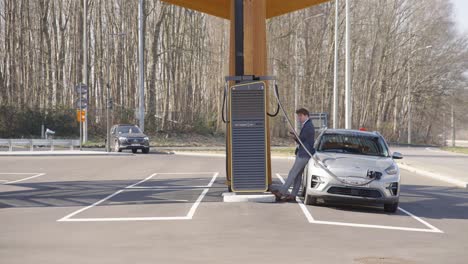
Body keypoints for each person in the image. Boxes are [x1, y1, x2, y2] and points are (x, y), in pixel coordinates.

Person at [272, 108, 315, 202]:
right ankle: (293, 195)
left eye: (300, 116)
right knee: (298, 175)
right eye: (298, 116)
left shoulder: (308, 126)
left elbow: (301, 140)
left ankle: (282, 192)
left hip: (304, 154)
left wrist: (295, 135)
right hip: (303, 153)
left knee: (293, 173)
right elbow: (302, 140)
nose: (299, 118)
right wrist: (295, 136)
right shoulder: (307, 125)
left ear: (306, 115)